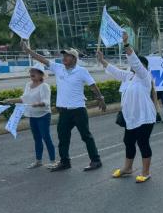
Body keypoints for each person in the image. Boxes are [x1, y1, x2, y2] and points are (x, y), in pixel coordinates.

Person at [21, 40, 107, 172]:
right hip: (64, 112)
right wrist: (28, 50)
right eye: (63, 55)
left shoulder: (81, 71)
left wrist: (100, 98)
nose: (64, 58)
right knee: (63, 137)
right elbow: (42, 59)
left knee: (86, 136)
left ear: (74, 58)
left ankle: (96, 160)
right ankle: (65, 162)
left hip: (78, 110)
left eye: (67, 55)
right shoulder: (58, 68)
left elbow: (92, 85)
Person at [97, 33, 156, 183]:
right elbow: (115, 71)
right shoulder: (129, 76)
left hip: (144, 117)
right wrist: (102, 60)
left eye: (138, 65)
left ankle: (146, 172)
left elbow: (135, 62)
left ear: (144, 67)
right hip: (131, 118)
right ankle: (127, 168)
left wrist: (126, 43)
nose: (135, 66)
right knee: (128, 141)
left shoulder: (145, 76)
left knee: (143, 143)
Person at [4, 64, 55, 168]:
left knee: (46, 137)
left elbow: (47, 102)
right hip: (32, 115)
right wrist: (10, 100)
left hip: (43, 115)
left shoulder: (45, 86)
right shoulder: (28, 85)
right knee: (37, 138)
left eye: (35, 72)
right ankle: (38, 161)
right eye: (31, 71)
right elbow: (24, 98)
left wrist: (38, 104)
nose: (32, 73)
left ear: (41, 75)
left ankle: (53, 161)